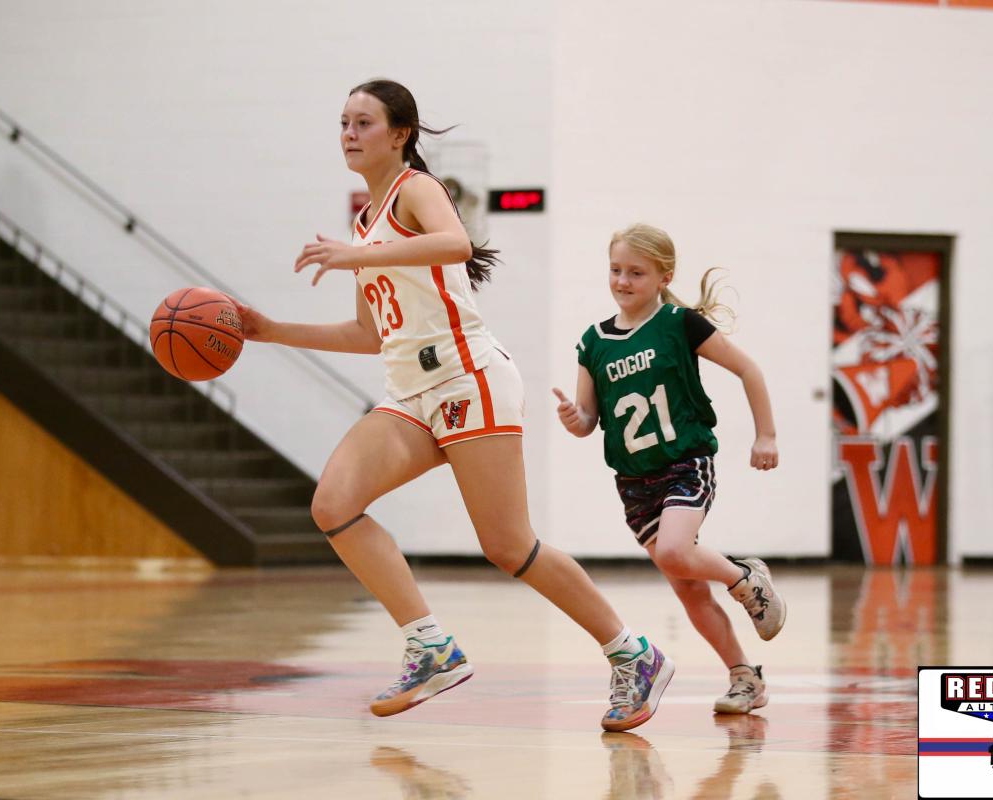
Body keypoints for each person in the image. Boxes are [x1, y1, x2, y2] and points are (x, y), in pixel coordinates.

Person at [232, 80, 673, 731]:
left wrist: (359, 254)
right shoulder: (364, 222)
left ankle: (634, 653)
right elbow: (368, 334)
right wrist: (273, 331)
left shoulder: (416, 189)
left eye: (363, 122)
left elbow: (456, 243)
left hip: (470, 381)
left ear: (400, 134)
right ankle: (430, 645)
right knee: (332, 503)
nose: (349, 133)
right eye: (344, 122)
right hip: (411, 393)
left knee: (508, 545)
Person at [553, 223, 786, 715]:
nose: (623, 281)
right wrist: (576, 419)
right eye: (616, 270)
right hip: (633, 482)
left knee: (677, 551)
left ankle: (745, 578)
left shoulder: (680, 324)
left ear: (664, 276)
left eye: (636, 272)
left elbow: (749, 369)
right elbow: (588, 420)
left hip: (684, 462)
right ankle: (745, 677)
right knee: (689, 591)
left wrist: (765, 434)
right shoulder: (593, 342)